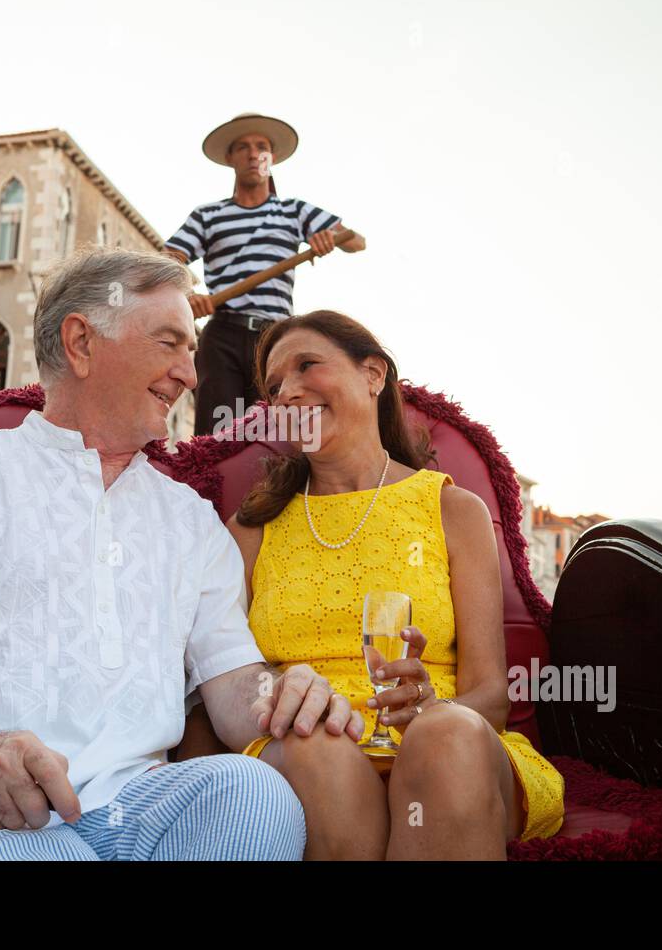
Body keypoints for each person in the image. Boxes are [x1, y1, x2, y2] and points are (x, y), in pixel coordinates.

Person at [0, 250, 364, 861]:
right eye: (169, 344)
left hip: (123, 809)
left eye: (191, 352)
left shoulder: (191, 519)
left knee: (251, 792)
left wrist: (281, 692)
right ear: (82, 343)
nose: (190, 376)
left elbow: (232, 681)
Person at [205, 309, 566, 859]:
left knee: (448, 734)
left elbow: (491, 696)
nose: (289, 393)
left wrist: (427, 710)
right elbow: (220, 673)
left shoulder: (452, 510)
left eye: (308, 366)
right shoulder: (253, 530)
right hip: (308, 754)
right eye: (275, 387)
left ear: (373, 374)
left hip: (448, 754)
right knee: (314, 745)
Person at [162, 112, 365, 436]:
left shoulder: (293, 211)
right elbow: (167, 260)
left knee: (275, 432)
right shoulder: (209, 215)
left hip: (277, 338)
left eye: (261, 147)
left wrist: (329, 238)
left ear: (271, 158)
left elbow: (356, 241)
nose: (253, 154)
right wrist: (187, 297)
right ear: (230, 158)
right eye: (243, 147)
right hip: (223, 336)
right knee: (217, 432)